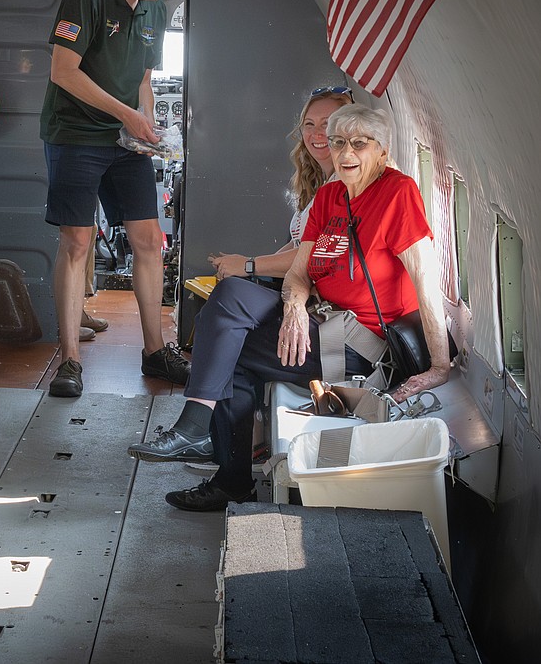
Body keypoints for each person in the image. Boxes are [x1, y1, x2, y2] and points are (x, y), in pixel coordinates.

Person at [142, 104, 450, 512]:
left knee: (228, 351)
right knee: (231, 294)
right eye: (339, 142)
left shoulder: (397, 193)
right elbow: (299, 274)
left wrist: (440, 367)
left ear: (383, 150)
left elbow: (427, 280)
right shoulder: (329, 195)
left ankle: (218, 460)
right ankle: (201, 434)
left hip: (359, 341)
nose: (345, 153)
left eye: (359, 144)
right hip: (318, 318)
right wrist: (294, 310)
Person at [129, 86, 353, 462]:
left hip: (335, 328)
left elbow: (311, 256)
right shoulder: (322, 186)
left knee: (231, 303)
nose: (317, 134)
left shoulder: (346, 186)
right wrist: (249, 264)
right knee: (224, 326)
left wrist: (247, 265)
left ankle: (197, 431)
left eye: (328, 125)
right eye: (309, 124)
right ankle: (223, 464)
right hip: (313, 310)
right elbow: (297, 248)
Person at [41, 0, 192, 398]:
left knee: (148, 238)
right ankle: (69, 360)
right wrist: (125, 113)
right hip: (76, 134)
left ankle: (154, 350)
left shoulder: (156, 9)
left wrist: (145, 124)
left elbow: (144, 79)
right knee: (76, 242)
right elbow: (63, 72)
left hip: (125, 141)